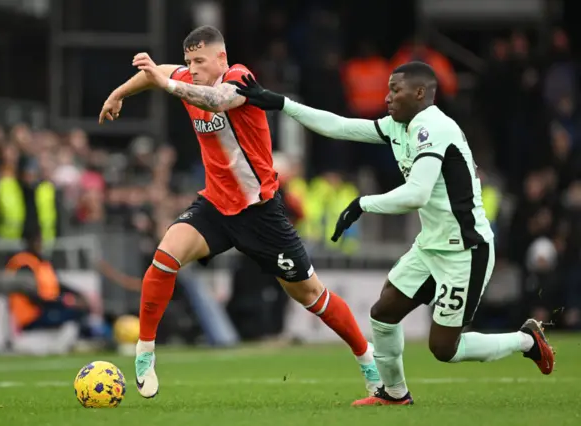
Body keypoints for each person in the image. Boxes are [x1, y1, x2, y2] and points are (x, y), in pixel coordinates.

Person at [233, 61, 556, 406]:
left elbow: (417, 193)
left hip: (466, 249)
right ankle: (395, 393)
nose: (387, 97)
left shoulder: (432, 127)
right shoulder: (399, 126)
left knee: (444, 349)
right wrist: (279, 102)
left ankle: (526, 340)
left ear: (420, 93)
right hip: (431, 246)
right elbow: (340, 126)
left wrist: (362, 204)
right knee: (384, 312)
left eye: (395, 90)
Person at [99, 25, 381, 399]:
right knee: (165, 256)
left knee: (311, 295)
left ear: (220, 57)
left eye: (199, 60)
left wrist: (165, 83)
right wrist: (118, 94)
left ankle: (368, 360)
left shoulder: (239, 79)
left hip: (260, 214)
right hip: (215, 206)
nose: (192, 68)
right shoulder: (185, 77)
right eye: (188, 61)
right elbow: (155, 75)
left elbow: (215, 100)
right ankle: (145, 349)